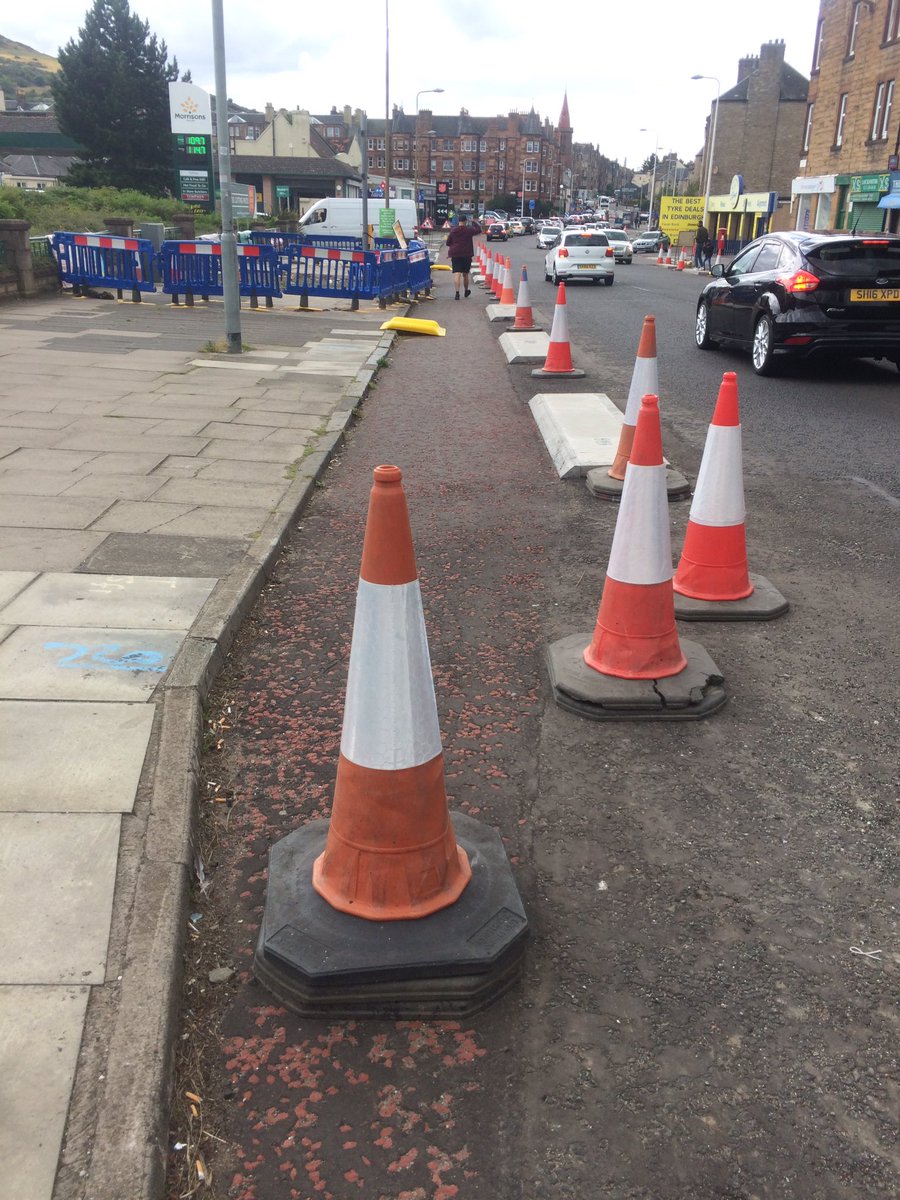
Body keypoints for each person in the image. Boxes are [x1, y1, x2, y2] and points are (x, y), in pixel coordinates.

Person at [444, 213, 482, 299]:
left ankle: (457, 293)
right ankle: (466, 290)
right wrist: (474, 222)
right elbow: (479, 230)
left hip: (456, 255)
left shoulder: (453, 231)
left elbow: (447, 243)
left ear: (458, 221)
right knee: (465, 274)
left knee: (457, 274)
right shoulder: (469, 230)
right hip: (466, 255)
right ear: (465, 221)